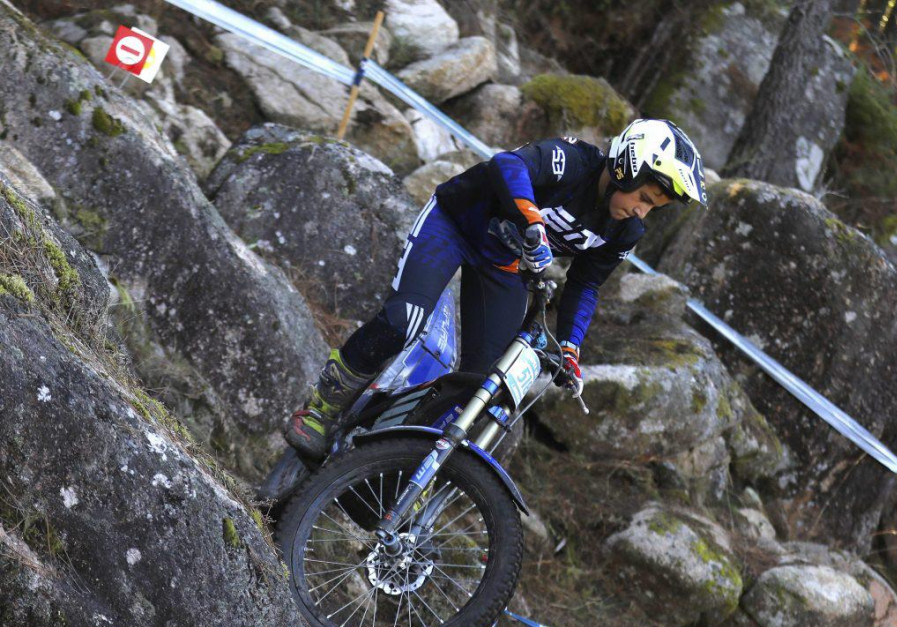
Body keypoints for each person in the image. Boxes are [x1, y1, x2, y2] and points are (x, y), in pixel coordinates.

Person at [284, 118, 708, 459]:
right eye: (646, 198)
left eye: (654, 207)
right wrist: (533, 221)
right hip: (453, 224)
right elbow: (508, 164)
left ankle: (386, 449)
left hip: (502, 263)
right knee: (404, 320)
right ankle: (321, 407)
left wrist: (572, 348)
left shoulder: (625, 230)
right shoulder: (572, 161)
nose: (642, 211)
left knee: (480, 384)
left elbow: (586, 283)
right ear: (626, 168)